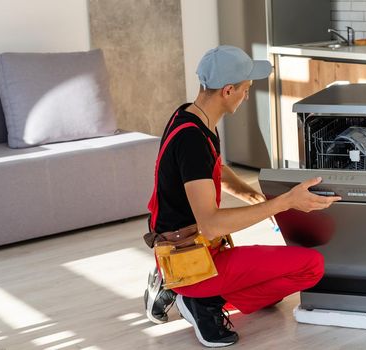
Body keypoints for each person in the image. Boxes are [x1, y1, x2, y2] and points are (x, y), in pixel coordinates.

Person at [143, 45, 341, 347]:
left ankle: (182, 286)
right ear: (227, 90)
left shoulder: (193, 117)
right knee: (311, 265)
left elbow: (213, 170)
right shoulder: (192, 140)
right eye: (246, 89)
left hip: (187, 247)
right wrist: (285, 201)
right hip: (193, 255)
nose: (247, 96)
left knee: (271, 295)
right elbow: (210, 224)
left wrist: (252, 196)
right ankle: (200, 301)